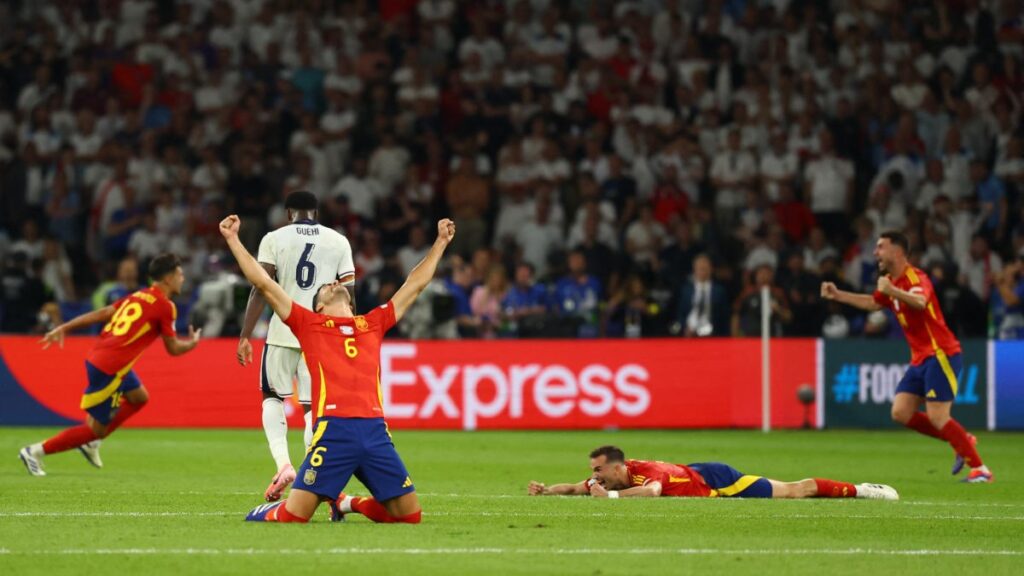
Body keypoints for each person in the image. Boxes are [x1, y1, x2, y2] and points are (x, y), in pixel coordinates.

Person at [221, 214, 456, 524]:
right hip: (333, 432)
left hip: (375, 432)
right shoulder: (309, 324)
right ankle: (263, 512)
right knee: (296, 516)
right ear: (318, 306)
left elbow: (415, 284)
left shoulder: (372, 323)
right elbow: (264, 283)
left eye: (334, 281)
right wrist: (233, 240)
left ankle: (348, 503)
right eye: (325, 287)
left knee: (410, 516)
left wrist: (439, 243)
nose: (332, 282)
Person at [821, 231, 993, 483]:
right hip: (920, 359)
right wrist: (839, 295)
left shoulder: (915, 277)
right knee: (900, 412)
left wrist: (892, 291)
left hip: (941, 353)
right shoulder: (891, 281)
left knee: (937, 416)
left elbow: (920, 301)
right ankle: (961, 439)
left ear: (898, 251)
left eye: (880, 247)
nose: (875, 252)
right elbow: (873, 303)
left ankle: (980, 469)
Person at [19, 254, 201, 476]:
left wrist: (64, 327)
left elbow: (104, 313)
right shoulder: (165, 306)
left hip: (105, 358)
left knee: (139, 397)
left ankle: (91, 443)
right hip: (111, 368)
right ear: (169, 278)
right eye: (180, 274)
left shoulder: (139, 296)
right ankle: (35, 451)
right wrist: (192, 344)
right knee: (94, 430)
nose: (183, 279)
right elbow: (172, 349)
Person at [236, 190, 356, 502]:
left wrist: (246, 334)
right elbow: (348, 296)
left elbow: (261, 288)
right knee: (312, 407)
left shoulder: (274, 238)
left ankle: (284, 465)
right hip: (321, 336)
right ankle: (313, 475)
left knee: (272, 397)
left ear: (289, 212)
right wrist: (348, 336)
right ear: (316, 212)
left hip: (282, 331)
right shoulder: (338, 241)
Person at [528, 445, 898, 500]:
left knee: (795, 490)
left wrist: (610, 497)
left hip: (718, 480)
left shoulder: (645, 474)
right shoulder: (608, 476)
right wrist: (547, 490)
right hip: (697, 471)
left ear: (617, 466)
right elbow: (577, 488)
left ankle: (863, 490)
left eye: (598, 471)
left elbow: (654, 491)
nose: (594, 476)